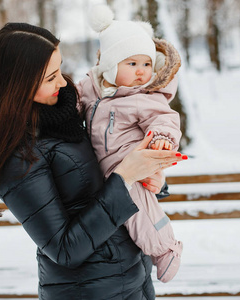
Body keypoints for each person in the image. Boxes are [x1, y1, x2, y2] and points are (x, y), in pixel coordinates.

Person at [0, 23, 185, 299]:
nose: (63, 83)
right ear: (18, 85)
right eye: (50, 77)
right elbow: (64, 248)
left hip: (132, 276)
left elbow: (105, 162)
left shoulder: (64, 111)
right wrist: (124, 179)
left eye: (59, 69)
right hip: (89, 290)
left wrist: (148, 176)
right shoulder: (14, 152)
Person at [77, 5, 184, 283]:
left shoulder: (144, 97)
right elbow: (74, 100)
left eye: (147, 64)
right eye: (132, 64)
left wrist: (161, 138)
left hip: (130, 168)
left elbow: (164, 119)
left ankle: (165, 249)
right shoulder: (92, 87)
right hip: (104, 172)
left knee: (140, 209)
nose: (141, 72)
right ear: (110, 66)